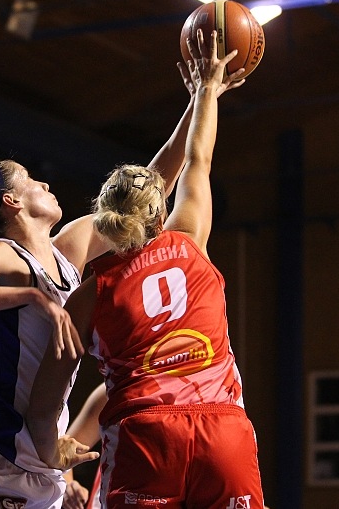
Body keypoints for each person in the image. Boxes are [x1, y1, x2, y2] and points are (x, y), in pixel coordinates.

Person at [0, 33, 247, 508]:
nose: (45, 183)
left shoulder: (68, 248)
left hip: (40, 453)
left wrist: (200, 97)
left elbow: (149, 189)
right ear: (12, 202)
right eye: (32, 180)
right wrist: (29, 296)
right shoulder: (4, 256)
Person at [25, 29, 264, 509]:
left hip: (146, 435)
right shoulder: (189, 239)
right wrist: (206, 90)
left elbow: (45, 399)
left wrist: (52, 451)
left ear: (104, 221)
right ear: (159, 215)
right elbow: (197, 159)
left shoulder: (90, 293)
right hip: (222, 427)